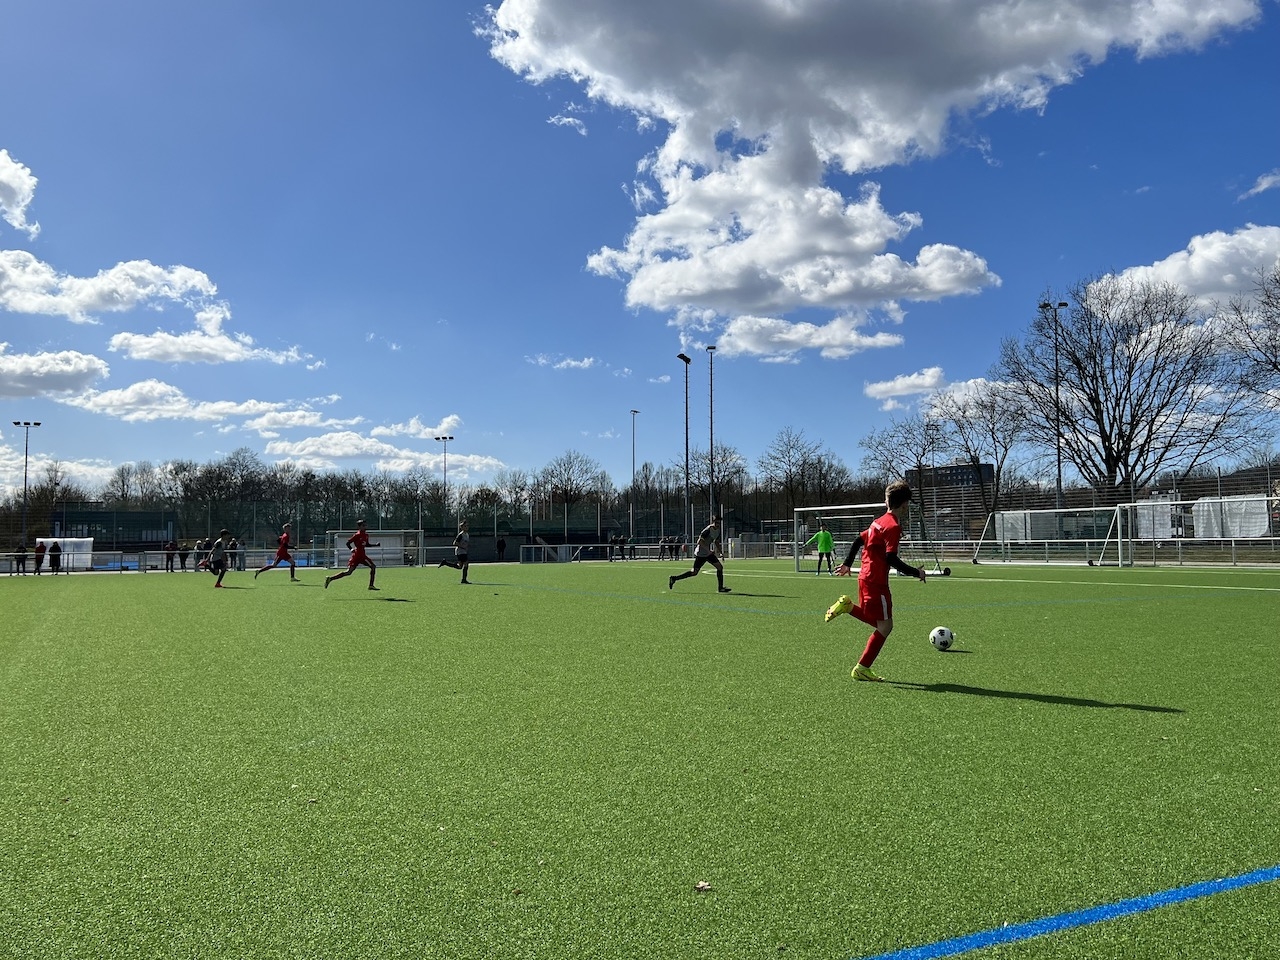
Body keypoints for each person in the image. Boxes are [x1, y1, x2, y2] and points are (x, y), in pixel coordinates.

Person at [825, 479, 927, 682]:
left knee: (883, 624)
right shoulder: (893, 526)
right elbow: (891, 558)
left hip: (865, 577)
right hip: (877, 582)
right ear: (905, 504)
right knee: (885, 627)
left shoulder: (878, 522)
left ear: (887, 501)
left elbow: (858, 540)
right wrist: (916, 572)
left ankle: (848, 607)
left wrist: (847, 564)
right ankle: (861, 668)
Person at [668, 518, 730, 594]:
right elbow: (699, 541)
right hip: (701, 554)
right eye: (717, 523)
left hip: (708, 554)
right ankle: (674, 578)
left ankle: (720, 588)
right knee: (694, 572)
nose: (718, 525)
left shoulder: (718, 531)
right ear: (713, 522)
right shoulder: (707, 530)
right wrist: (708, 551)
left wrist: (721, 553)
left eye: (719, 523)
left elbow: (716, 542)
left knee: (719, 567)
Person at [326, 520, 380, 590]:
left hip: (362, 555)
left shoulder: (366, 535)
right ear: (359, 527)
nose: (365, 527)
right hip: (358, 555)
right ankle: (371, 585)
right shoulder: (357, 535)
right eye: (363, 525)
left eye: (365, 525)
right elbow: (348, 543)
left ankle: (330, 578)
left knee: (371, 567)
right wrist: (351, 549)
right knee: (350, 572)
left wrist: (375, 545)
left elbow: (366, 544)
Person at [438, 520, 471, 584]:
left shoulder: (466, 534)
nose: (467, 527)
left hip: (463, 551)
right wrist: (463, 547)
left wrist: (467, 546)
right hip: (460, 551)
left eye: (467, 526)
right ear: (462, 527)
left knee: (460, 567)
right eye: (465, 526)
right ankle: (464, 580)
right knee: (466, 564)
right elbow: (455, 543)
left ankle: (445, 562)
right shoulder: (461, 535)